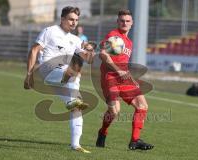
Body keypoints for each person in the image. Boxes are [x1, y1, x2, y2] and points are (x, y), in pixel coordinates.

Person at [23, 6, 95, 153]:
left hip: (61, 77)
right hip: (47, 71)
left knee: (76, 108)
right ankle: (73, 98)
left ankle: (76, 145)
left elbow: (88, 59)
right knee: (73, 72)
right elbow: (34, 50)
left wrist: (90, 49)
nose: (74, 22)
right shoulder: (50, 31)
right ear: (62, 19)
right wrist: (29, 74)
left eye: (76, 20)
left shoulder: (75, 39)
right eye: (70, 19)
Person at [95, 9, 154, 150]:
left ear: (132, 23)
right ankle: (102, 132)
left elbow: (122, 61)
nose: (125, 23)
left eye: (127, 21)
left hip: (124, 78)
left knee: (142, 106)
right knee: (114, 112)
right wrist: (118, 70)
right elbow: (103, 55)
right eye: (122, 20)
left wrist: (127, 74)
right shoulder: (113, 36)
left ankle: (135, 140)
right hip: (110, 78)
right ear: (117, 22)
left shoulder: (129, 42)